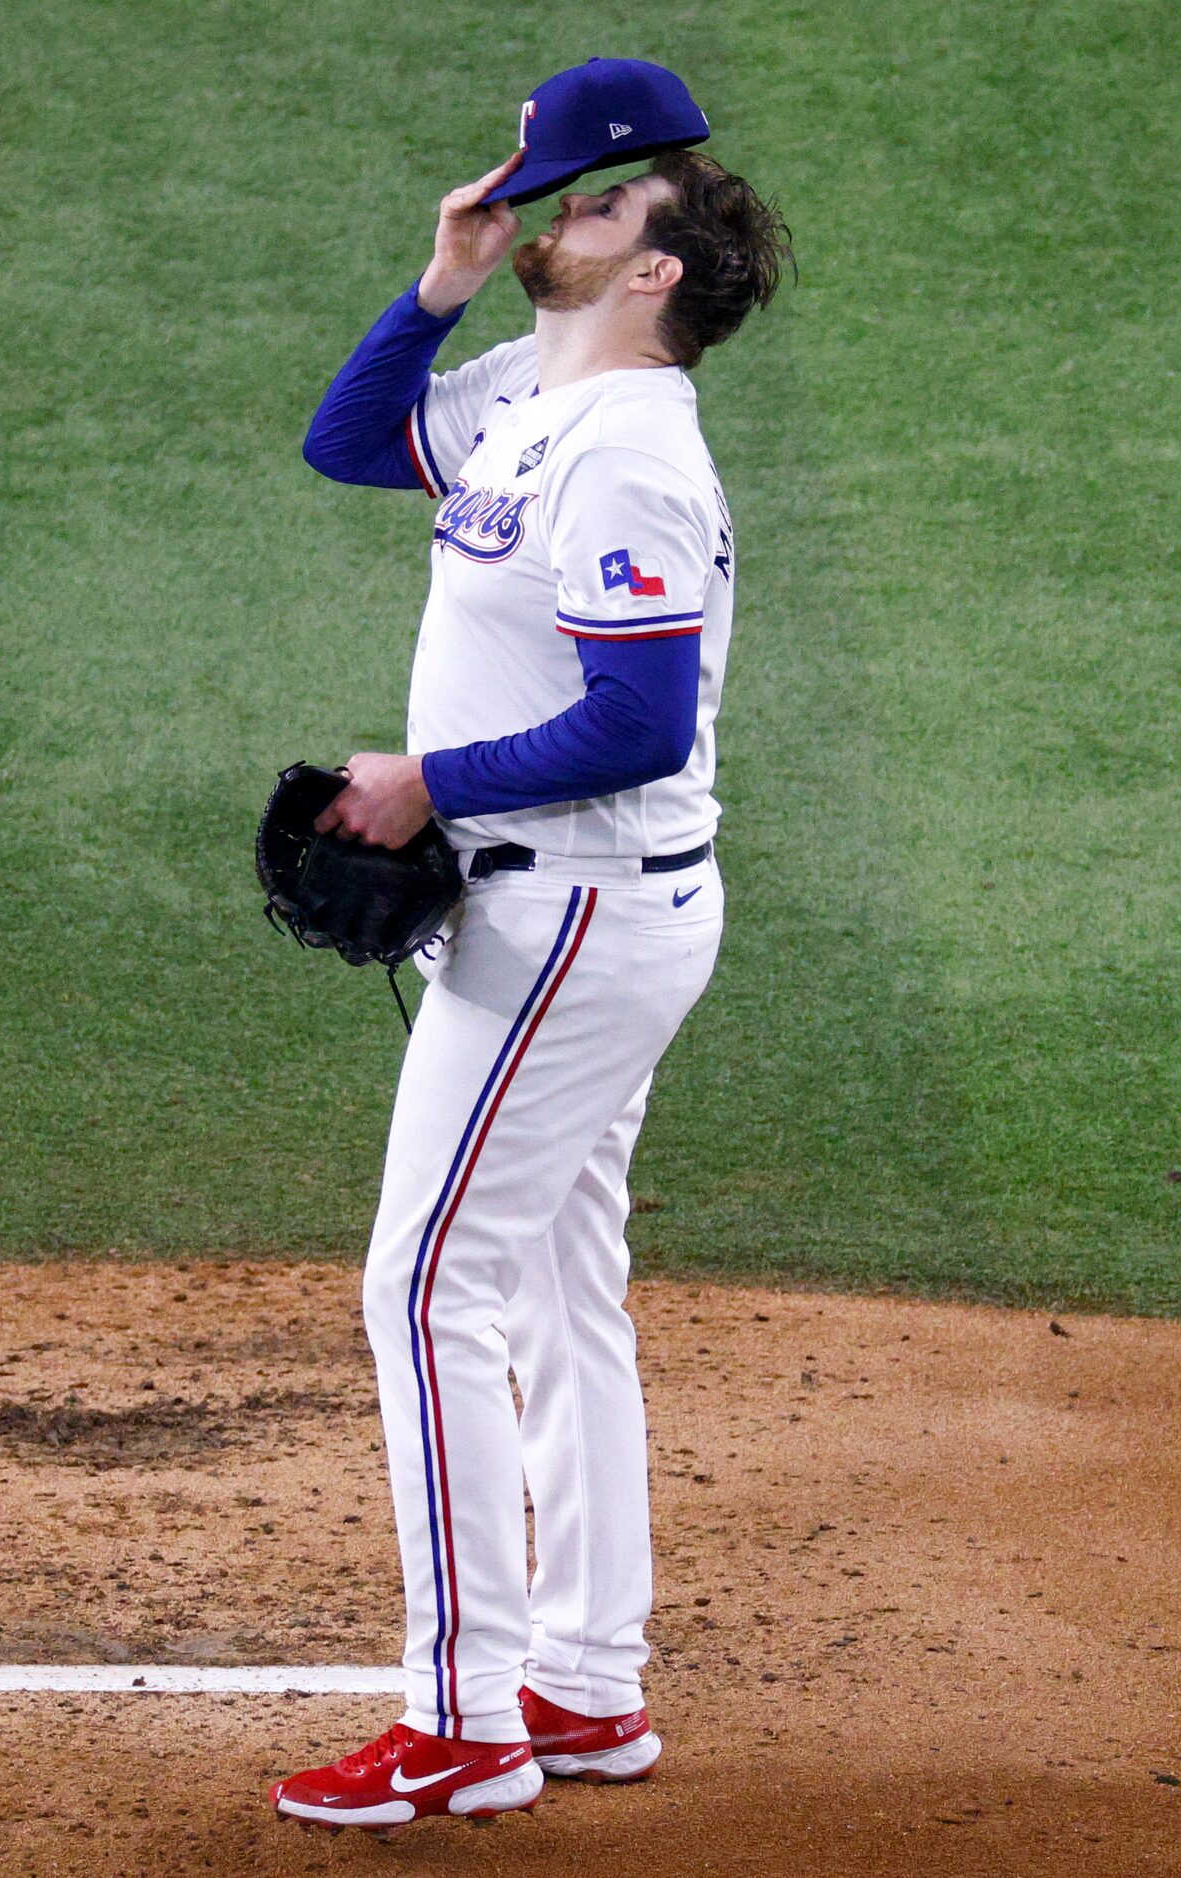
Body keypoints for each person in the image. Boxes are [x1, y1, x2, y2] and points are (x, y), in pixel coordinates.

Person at [267, 139, 792, 1833]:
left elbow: (636, 724)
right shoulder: (524, 385)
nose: (557, 217)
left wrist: (429, 779)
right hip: (555, 904)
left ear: (658, 271)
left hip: (572, 909)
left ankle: (462, 1719)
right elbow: (347, 443)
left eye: (592, 207)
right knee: (560, 1283)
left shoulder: (638, 457)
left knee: (426, 1289)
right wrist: (443, 277)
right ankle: (583, 1676)